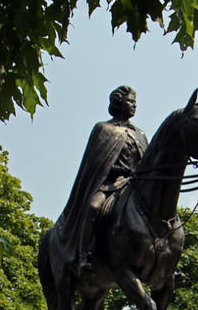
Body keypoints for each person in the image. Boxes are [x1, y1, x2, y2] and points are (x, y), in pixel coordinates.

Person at [54, 85, 148, 276]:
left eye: (135, 102)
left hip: (135, 185)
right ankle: (84, 254)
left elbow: (146, 162)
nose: (134, 106)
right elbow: (95, 164)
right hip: (110, 184)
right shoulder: (104, 129)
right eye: (131, 102)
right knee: (93, 206)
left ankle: (165, 260)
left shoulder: (140, 134)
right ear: (119, 103)